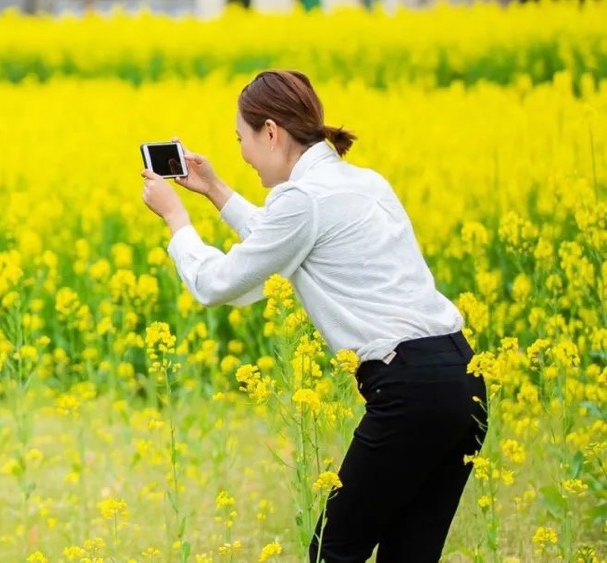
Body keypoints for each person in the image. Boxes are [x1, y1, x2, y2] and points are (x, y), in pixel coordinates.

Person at [140, 69, 487, 563]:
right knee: (410, 554)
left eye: (241, 139)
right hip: (462, 380)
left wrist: (177, 221)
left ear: (272, 132)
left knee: (334, 550)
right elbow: (283, 241)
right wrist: (215, 189)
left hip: (409, 391)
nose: (242, 152)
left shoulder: (302, 201)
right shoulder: (362, 182)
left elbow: (220, 284)